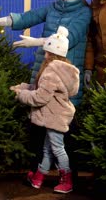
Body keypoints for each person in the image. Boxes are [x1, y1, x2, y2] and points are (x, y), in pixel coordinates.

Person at [10, 26, 79, 194]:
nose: (44, 54)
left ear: (50, 53)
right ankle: (38, 178)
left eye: (46, 51)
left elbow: (40, 97)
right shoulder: (62, 70)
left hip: (54, 117)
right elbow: (41, 88)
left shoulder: (50, 72)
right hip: (56, 115)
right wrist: (23, 87)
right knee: (48, 149)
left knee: (57, 148)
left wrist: (21, 95)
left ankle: (67, 180)